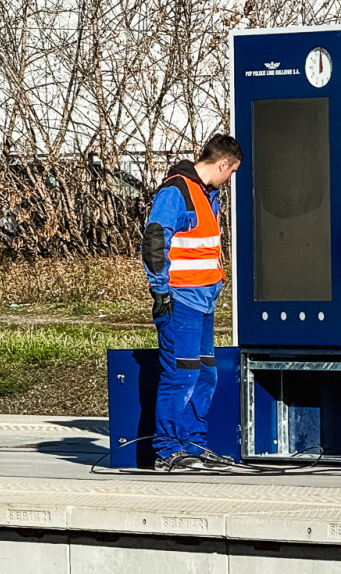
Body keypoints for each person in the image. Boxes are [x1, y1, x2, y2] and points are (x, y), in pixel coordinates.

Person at [142, 134, 242, 471]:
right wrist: (161, 292)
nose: (229, 180)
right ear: (222, 164)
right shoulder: (178, 191)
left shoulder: (205, 193)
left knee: (205, 375)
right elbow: (155, 239)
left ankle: (194, 445)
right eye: (231, 172)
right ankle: (168, 450)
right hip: (181, 301)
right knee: (181, 376)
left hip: (202, 301)